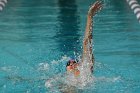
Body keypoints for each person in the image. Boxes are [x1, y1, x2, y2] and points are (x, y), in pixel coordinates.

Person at [66, 1, 102, 76]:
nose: (72, 64)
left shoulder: (84, 73)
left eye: (74, 62)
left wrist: (89, 16)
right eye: (69, 63)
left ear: (79, 65)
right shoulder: (60, 79)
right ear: (66, 69)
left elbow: (87, 41)